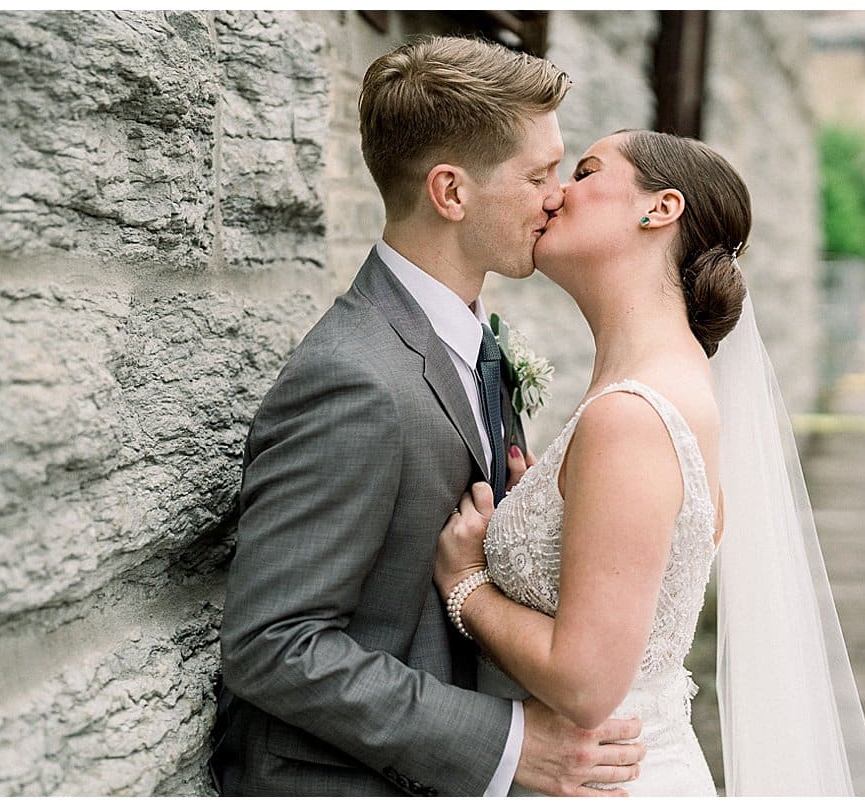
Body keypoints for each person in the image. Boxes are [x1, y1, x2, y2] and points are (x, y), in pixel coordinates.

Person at [211, 36, 647, 797]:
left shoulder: (472, 340)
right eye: (540, 174)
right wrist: (508, 744)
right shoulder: (355, 380)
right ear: (451, 193)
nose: (559, 195)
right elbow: (270, 644)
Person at [433, 130, 865, 795]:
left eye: (585, 172)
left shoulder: (633, 413)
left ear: (660, 208)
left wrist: (465, 583)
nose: (557, 192)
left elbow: (586, 681)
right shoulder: (661, 384)